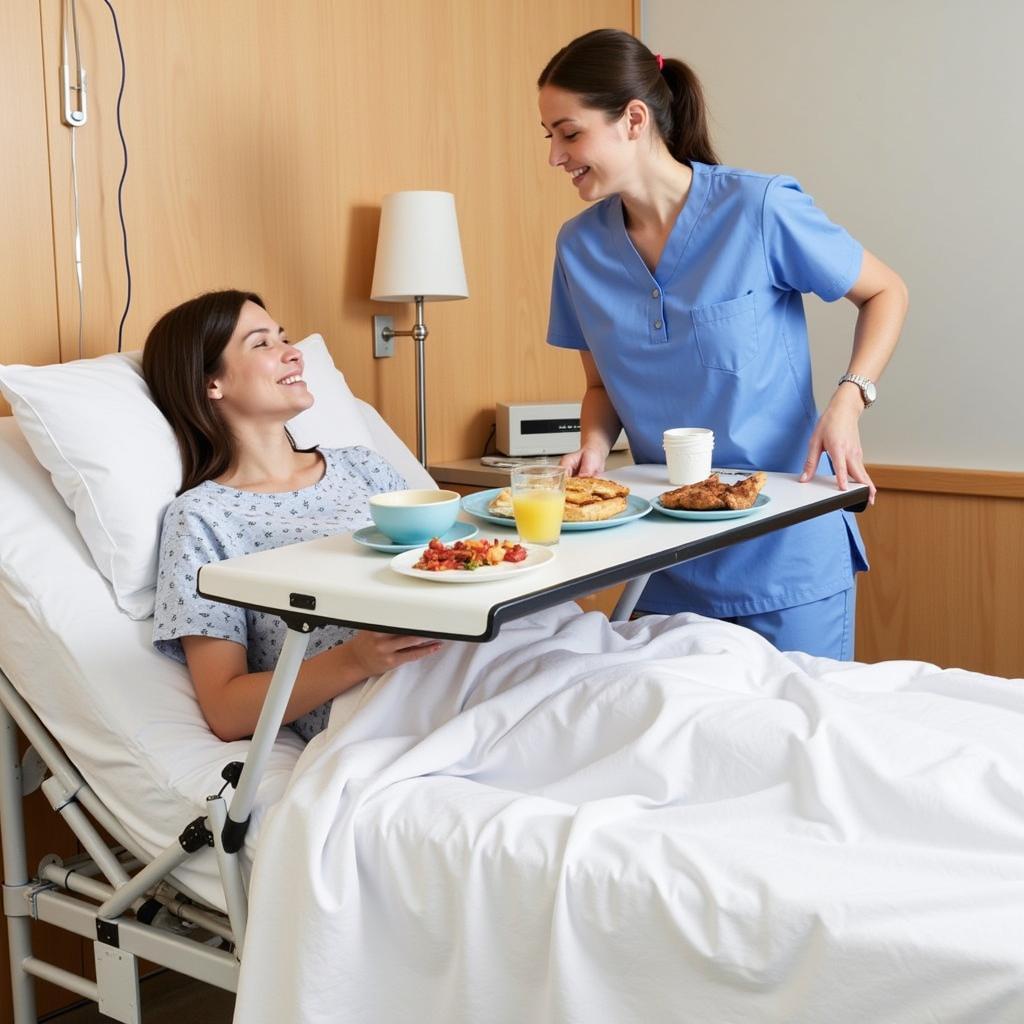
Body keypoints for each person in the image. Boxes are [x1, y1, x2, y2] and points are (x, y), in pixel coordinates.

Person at [537, 29, 908, 660]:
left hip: (785, 554)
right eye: (549, 137)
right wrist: (593, 448)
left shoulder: (757, 208)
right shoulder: (579, 247)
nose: (555, 156)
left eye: (569, 134)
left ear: (633, 120)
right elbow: (601, 387)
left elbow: (886, 292)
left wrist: (849, 400)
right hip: (664, 558)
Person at [143, 290, 442, 743]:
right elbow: (225, 709)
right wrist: (358, 659)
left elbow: (446, 562)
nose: (293, 353)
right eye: (262, 344)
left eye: (284, 338)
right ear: (210, 384)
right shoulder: (204, 518)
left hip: (465, 649)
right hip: (383, 701)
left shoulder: (364, 467)